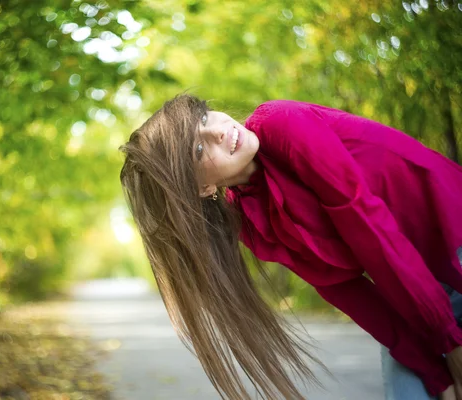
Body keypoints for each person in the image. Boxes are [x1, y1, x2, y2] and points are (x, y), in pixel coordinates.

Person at [119, 94, 462, 400]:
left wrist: (449, 340)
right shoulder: (248, 220)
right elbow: (343, 289)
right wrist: (434, 372)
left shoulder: (281, 123)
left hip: (451, 238)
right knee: (412, 386)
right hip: (414, 285)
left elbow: (370, 227)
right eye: (198, 149)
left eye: (204, 118)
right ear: (201, 188)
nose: (218, 130)